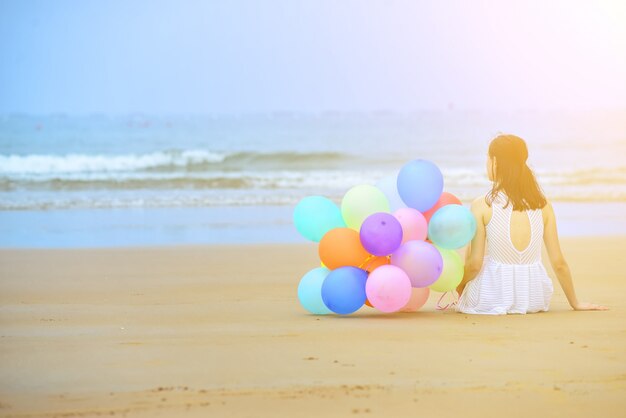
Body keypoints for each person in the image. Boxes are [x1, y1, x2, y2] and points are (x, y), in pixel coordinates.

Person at [454, 134, 608, 314]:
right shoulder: (543, 205)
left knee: (474, 249)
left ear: (495, 162)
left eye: (487, 158)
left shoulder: (483, 204)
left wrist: (461, 286)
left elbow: (474, 265)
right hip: (534, 297)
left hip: (492, 297)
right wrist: (575, 303)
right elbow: (558, 263)